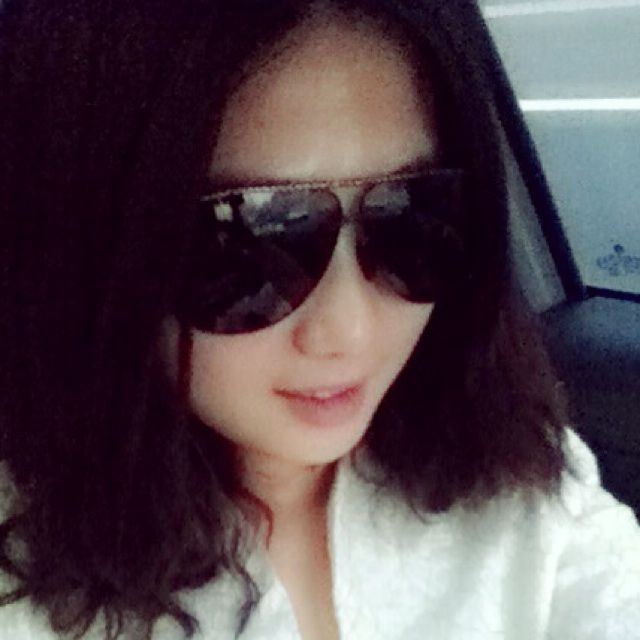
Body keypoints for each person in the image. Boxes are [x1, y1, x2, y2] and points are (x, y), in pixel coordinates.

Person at [0, 0, 639, 639]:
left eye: (413, 219)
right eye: (245, 246)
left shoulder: (524, 490)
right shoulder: (24, 579)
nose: (349, 331)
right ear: (93, 250)